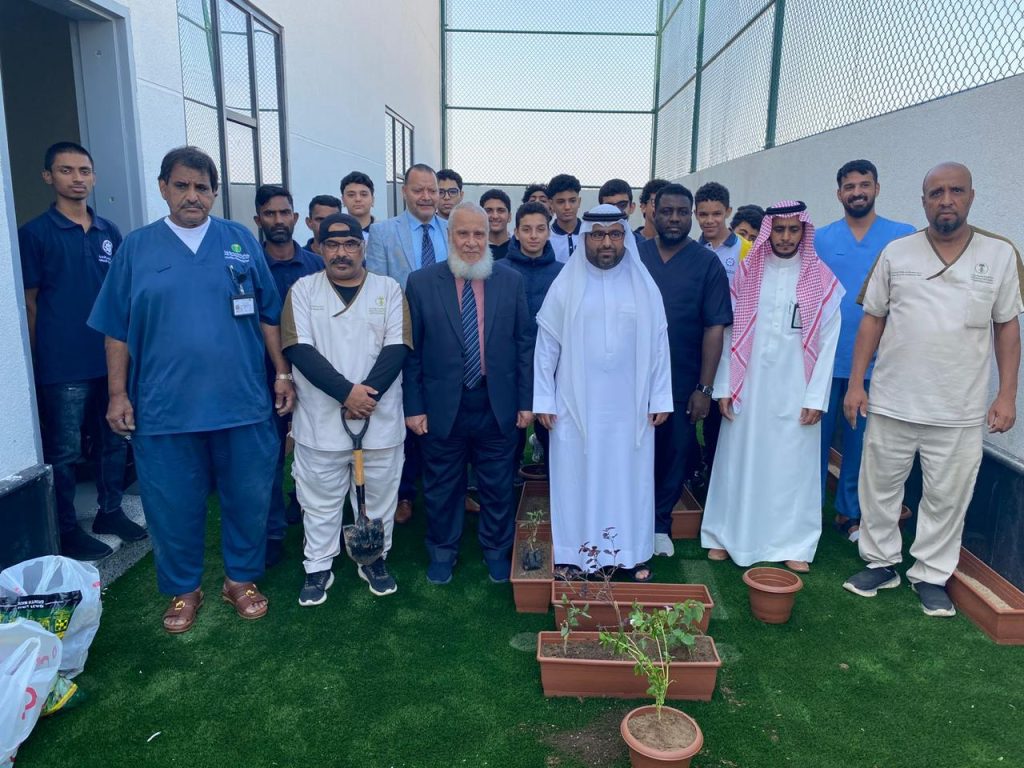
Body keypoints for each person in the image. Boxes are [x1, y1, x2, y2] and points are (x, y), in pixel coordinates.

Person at [88, 146, 294, 633]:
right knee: (172, 504)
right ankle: (185, 588)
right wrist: (117, 394)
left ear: (215, 193)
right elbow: (116, 329)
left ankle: (240, 579)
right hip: (164, 408)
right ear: (163, 187)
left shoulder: (238, 242)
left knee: (248, 496)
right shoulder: (137, 248)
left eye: (202, 187)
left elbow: (268, 314)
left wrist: (282, 373)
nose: (192, 195)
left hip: (241, 401)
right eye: (181, 185)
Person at [843, 162, 1022, 617]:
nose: (946, 200)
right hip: (892, 400)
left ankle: (931, 574)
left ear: (971, 196)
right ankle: (881, 562)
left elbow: (1007, 327)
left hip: (958, 406)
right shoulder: (897, 252)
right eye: (936, 193)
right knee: (880, 488)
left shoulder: (999, 254)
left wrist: (1007, 395)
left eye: (956, 191)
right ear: (923, 201)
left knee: (947, 496)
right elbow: (873, 319)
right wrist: (857, 384)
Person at [19, 141, 144, 561]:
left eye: (84, 171)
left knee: (114, 438)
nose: (77, 179)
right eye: (66, 170)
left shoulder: (110, 232)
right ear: (48, 176)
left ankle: (110, 511)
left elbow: (123, 297)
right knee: (65, 451)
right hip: (62, 363)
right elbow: (30, 303)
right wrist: (37, 362)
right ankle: (66, 528)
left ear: (94, 177)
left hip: (109, 358)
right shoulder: (35, 234)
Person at [702, 201, 843, 572]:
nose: (785, 237)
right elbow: (729, 334)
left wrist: (816, 397)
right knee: (738, 461)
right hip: (747, 386)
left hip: (797, 389)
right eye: (778, 229)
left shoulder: (822, 279)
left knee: (792, 467)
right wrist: (723, 386)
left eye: (793, 230)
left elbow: (829, 341)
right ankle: (725, 535)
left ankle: (794, 543)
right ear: (769, 231)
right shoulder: (747, 273)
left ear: (803, 232)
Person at [535, 205, 672, 581]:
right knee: (575, 478)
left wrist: (660, 396)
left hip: (630, 407)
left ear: (625, 237)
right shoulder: (566, 284)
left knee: (629, 478)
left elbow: (660, 345)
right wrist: (544, 399)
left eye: (614, 234)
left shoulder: (643, 286)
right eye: (597, 234)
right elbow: (546, 347)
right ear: (585, 238)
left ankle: (631, 554)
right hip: (575, 405)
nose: (606, 242)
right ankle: (573, 554)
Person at [282, 213, 409, 604]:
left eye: (350, 244)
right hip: (321, 422)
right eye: (332, 245)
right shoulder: (302, 291)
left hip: (378, 420)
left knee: (380, 498)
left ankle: (373, 558)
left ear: (362, 247)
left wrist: (365, 396)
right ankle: (318, 565)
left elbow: (398, 347)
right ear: (319, 248)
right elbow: (298, 348)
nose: (342, 253)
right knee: (318, 500)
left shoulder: (389, 289)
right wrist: (346, 394)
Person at [403, 202, 533, 585]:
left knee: (497, 484)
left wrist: (526, 402)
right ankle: (443, 551)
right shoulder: (421, 283)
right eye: (463, 233)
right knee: (442, 485)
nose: (472, 242)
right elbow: (412, 352)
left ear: (490, 236)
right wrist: (414, 407)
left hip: (497, 404)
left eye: (480, 233)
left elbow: (524, 345)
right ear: (449, 236)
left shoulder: (511, 281)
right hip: (442, 406)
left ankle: (496, 550)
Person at [816, 160, 914, 542]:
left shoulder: (901, 236)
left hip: (877, 362)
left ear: (877, 188)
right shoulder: (820, 238)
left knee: (862, 444)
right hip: (824, 359)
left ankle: (850, 513)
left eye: (864, 185)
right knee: (814, 441)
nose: (857, 192)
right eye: (850, 186)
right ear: (838, 193)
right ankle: (808, 511)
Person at [638, 184, 732, 558]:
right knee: (631, 453)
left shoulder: (706, 263)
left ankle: (660, 525)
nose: (674, 219)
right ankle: (629, 518)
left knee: (674, 453)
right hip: (631, 379)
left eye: (681, 212)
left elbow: (714, 326)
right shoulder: (634, 255)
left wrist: (704, 388)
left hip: (681, 379)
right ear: (653, 213)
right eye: (667, 211)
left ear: (690, 215)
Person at [365, 164, 450, 524]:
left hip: (446, 343)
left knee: (445, 415)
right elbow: (375, 290)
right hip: (400, 340)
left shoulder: (453, 230)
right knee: (404, 417)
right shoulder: (383, 233)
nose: (427, 197)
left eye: (433, 190)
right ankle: (404, 494)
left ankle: (451, 489)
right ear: (404, 192)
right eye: (419, 190)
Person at [253, 183, 323, 565]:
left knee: (315, 453)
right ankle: (272, 532)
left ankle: (313, 519)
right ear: (258, 219)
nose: (278, 220)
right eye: (270, 214)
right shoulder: (250, 265)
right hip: (263, 377)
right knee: (268, 458)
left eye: (284, 213)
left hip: (313, 376)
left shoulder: (315, 266)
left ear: (296, 218)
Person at [504, 201, 563, 479]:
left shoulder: (564, 272)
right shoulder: (498, 270)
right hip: (511, 366)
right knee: (509, 439)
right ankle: (508, 492)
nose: (533, 235)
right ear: (516, 232)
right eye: (526, 229)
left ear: (548, 232)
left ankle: (556, 492)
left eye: (540, 229)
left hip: (553, 368)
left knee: (553, 435)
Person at [695, 181, 752, 284]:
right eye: (703, 214)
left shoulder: (747, 249)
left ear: (728, 212)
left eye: (716, 214)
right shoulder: (691, 250)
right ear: (696, 214)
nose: (710, 220)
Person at [546, 174, 582, 263]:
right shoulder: (545, 237)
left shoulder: (590, 233)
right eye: (561, 202)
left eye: (572, 201)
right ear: (551, 204)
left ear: (579, 202)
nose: (567, 207)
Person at [480, 188, 512, 260]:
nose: (495, 216)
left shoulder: (520, 247)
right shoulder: (474, 248)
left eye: (501, 210)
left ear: (509, 216)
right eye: (489, 211)